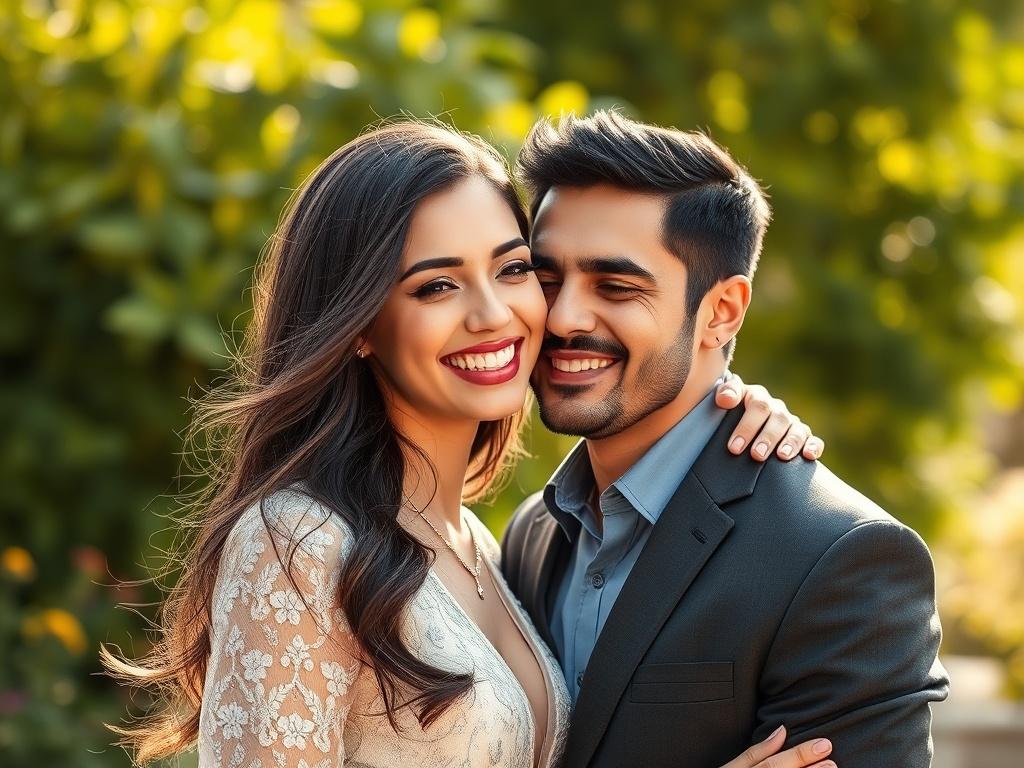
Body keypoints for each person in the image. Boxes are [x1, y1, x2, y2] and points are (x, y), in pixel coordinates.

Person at [102, 120, 835, 768]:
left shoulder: (499, 546)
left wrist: (726, 404)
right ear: (357, 323)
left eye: (515, 270)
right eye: (435, 287)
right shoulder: (299, 544)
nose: (494, 315)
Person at [500, 110, 950, 768]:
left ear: (721, 311)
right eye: (546, 279)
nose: (564, 316)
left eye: (616, 286)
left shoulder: (845, 560)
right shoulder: (530, 536)